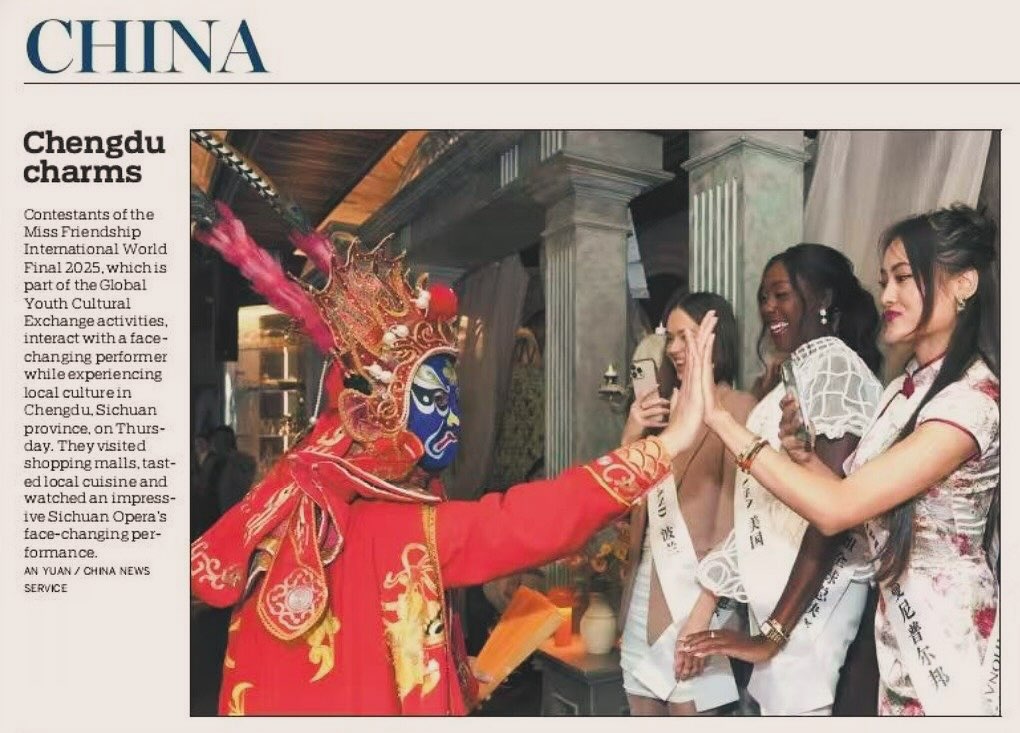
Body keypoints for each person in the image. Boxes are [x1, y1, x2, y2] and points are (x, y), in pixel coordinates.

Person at [189, 198, 701, 715]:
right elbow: (527, 521)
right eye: (433, 399)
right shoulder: (391, 524)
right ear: (380, 411)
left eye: (454, 398)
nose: (453, 416)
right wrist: (669, 443)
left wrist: (456, 672)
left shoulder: (308, 498)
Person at [682, 205, 1000, 716]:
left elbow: (838, 510)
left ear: (964, 284)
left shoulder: (973, 401)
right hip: (895, 635)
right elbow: (847, 489)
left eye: (903, 277)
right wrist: (803, 456)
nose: (887, 295)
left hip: (949, 643)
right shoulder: (904, 390)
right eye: (883, 280)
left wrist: (719, 420)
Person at [677, 244, 884, 716]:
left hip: (808, 609)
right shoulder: (789, 378)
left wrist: (775, 632)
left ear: (824, 297)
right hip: (777, 607)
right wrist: (707, 605)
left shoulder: (834, 367)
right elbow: (761, 511)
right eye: (762, 297)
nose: (768, 307)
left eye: (781, 294)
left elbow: (831, 514)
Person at [618, 292, 756, 715]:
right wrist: (631, 433)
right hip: (643, 594)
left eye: (687, 337)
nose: (676, 348)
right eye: (671, 337)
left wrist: (704, 615)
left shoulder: (739, 409)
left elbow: (739, 525)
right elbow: (626, 506)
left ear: (717, 341)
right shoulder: (661, 414)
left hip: (697, 600)